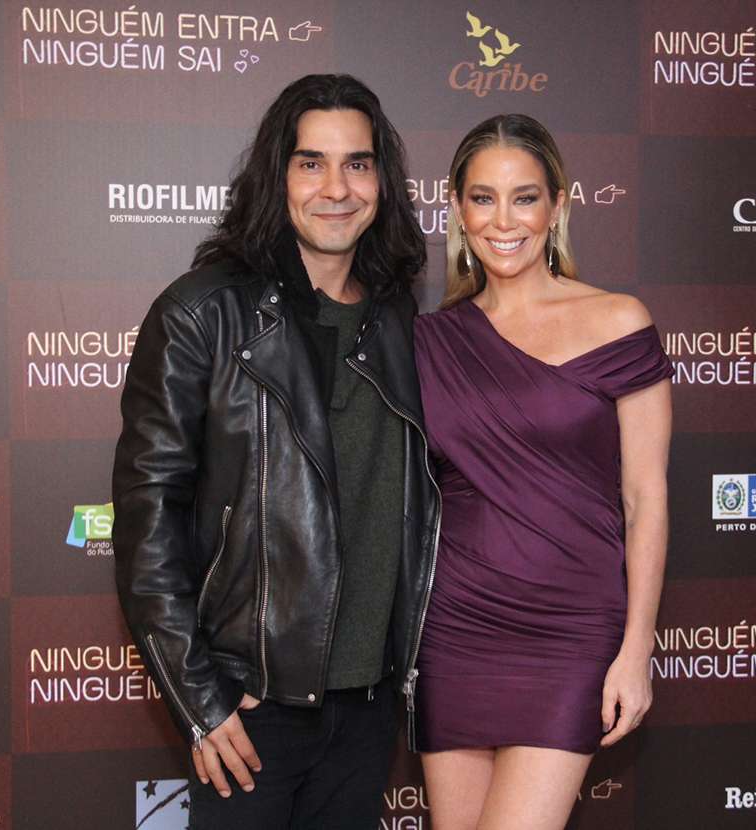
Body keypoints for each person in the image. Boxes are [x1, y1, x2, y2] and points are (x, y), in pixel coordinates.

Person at [112, 74, 439, 830]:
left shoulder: (397, 318)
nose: (337, 188)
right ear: (277, 175)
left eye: (358, 164)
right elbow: (148, 519)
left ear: (382, 181)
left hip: (369, 707)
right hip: (250, 708)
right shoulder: (202, 313)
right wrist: (200, 697)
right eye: (310, 162)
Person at [411, 114, 673, 829]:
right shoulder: (428, 341)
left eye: (524, 198)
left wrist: (636, 649)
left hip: (571, 629)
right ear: (458, 209)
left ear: (558, 205)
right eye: (483, 198)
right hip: (456, 624)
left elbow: (646, 497)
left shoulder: (619, 322)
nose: (504, 221)